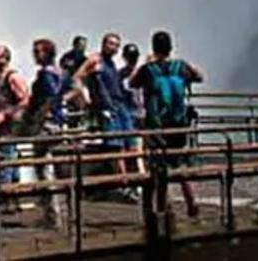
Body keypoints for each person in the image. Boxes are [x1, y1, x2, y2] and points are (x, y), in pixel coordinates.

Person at [129, 30, 205, 219]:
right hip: (179, 125)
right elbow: (199, 77)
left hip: (157, 126)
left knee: (157, 167)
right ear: (170, 47)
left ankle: (161, 209)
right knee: (178, 165)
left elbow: (132, 83)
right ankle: (191, 202)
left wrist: (148, 63)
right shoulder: (181, 66)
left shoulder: (148, 70)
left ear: (154, 48)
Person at [16, 38, 66, 229]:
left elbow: (48, 98)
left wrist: (36, 118)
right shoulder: (59, 72)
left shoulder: (46, 74)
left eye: (38, 51)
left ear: (48, 53)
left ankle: (52, 216)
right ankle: (51, 213)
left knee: (43, 169)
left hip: (46, 124)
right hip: (56, 122)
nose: (35, 55)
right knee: (46, 168)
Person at [75, 33, 136, 179]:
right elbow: (77, 77)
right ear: (103, 44)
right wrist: (85, 96)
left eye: (116, 45)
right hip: (106, 106)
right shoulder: (96, 60)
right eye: (111, 44)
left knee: (131, 142)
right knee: (116, 145)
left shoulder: (112, 64)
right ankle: (123, 180)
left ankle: (134, 179)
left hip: (120, 104)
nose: (113, 47)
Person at [0, 44, 30, 195]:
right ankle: (12, 197)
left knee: (6, 164)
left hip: (10, 128)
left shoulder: (13, 78)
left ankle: (6, 197)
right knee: (7, 162)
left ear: (6, 58)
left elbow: (25, 101)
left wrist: (5, 114)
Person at [120, 43, 145, 126]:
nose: (133, 60)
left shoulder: (144, 72)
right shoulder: (120, 74)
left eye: (134, 57)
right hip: (129, 113)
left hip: (143, 112)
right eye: (130, 57)